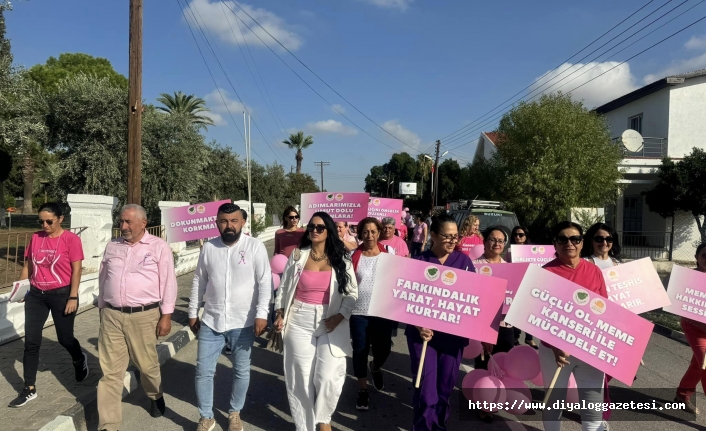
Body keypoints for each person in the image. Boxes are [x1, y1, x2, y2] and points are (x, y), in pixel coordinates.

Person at [189, 203, 271, 431]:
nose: (229, 226)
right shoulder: (209, 248)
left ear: (243, 222)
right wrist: (192, 311)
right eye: (224, 221)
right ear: (217, 223)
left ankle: (234, 412)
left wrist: (262, 314)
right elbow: (199, 280)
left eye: (234, 221)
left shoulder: (255, 247)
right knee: (203, 371)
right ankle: (206, 416)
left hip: (243, 321)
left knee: (241, 370)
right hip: (211, 320)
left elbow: (265, 282)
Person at [273, 212, 358, 431]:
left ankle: (323, 420)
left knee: (329, 375)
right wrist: (280, 312)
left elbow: (351, 294)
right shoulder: (297, 256)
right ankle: (305, 427)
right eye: (311, 227)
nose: (314, 231)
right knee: (299, 378)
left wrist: (340, 316)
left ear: (329, 231)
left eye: (320, 227)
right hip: (299, 319)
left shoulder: (342, 259)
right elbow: (283, 289)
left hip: (331, 321)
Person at [96, 204, 177, 431]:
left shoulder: (159, 247)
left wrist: (166, 316)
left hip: (144, 316)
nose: (123, 226)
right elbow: (104, 277)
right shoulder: (112, 246)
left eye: (128, 222)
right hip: (112, 315)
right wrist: (102, 307)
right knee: (110, 373)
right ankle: (108, 425)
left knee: (147, 366)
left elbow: (168, 282)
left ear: (143, 222)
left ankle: (155, 394)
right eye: (121, 222)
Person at [8, 203, 88, 408]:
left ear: (60, 219)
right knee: (31, 342)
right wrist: (22, 288)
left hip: (62, 294)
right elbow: (28, 265)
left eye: (49, 221)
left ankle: (79, 359)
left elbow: (76, 270)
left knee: (65, 338)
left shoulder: (71, 239)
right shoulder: (36, 237)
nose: (44, 225)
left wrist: (73, 297)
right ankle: (29, 389)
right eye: (41, 221)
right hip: (36, 295)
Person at [406, 213, 474, 431]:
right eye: (448, 236)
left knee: (445, 390)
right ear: (433, 235)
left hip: (453, 339)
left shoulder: (464, 262)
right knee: (426, 391)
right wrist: (418, 325)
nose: (453, 241)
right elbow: (402, 299)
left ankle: (438, 426)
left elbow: (474, 300)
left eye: (456, 237)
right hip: (423, 337)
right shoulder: (418, 262)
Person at [539, 221, 608, 431]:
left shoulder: (594, 271)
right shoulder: (543, 273)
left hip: (590, 349)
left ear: (581, 243)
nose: (569, 243)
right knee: (554, 402)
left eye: (574, 239)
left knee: (593, 404)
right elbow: (537, 315)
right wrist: (554, 346)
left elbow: (607, 312)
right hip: (556, 353)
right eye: (562, 239)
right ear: (555, 244)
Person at [349, 217, 396, 411]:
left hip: (381, 311)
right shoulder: (352, 255)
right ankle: (362, 390)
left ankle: (375, 367)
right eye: (365, 232)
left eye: (373, 231)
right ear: (360, 234)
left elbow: (398, 278)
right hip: (358, 312)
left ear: (379, 233)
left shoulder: (389, 253)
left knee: (383, 349)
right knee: (359, 350)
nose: (369, 235)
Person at [581, 222, 622, 427]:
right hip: (594, 324)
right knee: (599, 371)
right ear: (591, 241)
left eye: (608, 239)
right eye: (599, 238)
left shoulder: (620, 266)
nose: (604, 242)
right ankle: (599, 413)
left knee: (613, 369)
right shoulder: (585, 264)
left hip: (617, 325)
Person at [471, 227, 514, 423]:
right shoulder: (473, 266)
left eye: (500, 240)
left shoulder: (510, 269)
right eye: (492, 239)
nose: (497, 243)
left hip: (505, 325)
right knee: (483, 363)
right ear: (484, 241)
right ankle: (482, 404)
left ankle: (495, 397)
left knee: (502, 363)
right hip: (481, 324)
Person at [675, 242, 706, 415]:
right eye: (704, 255)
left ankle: (682, 395)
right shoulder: (689, 277)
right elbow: (684, 308)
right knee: (705, 364)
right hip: (694, 327)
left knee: (698, 363)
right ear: (696, 257)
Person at [507, 226, 537, 348]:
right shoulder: (510, 251)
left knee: (529, 312)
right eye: (515, 235)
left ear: (526, 236)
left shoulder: (533, 250)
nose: (518, 237)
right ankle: (515, 337)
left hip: (530, 284)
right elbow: (505, 266)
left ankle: (529, 338)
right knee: (516, 311)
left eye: (521, 234)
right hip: (516, 284)